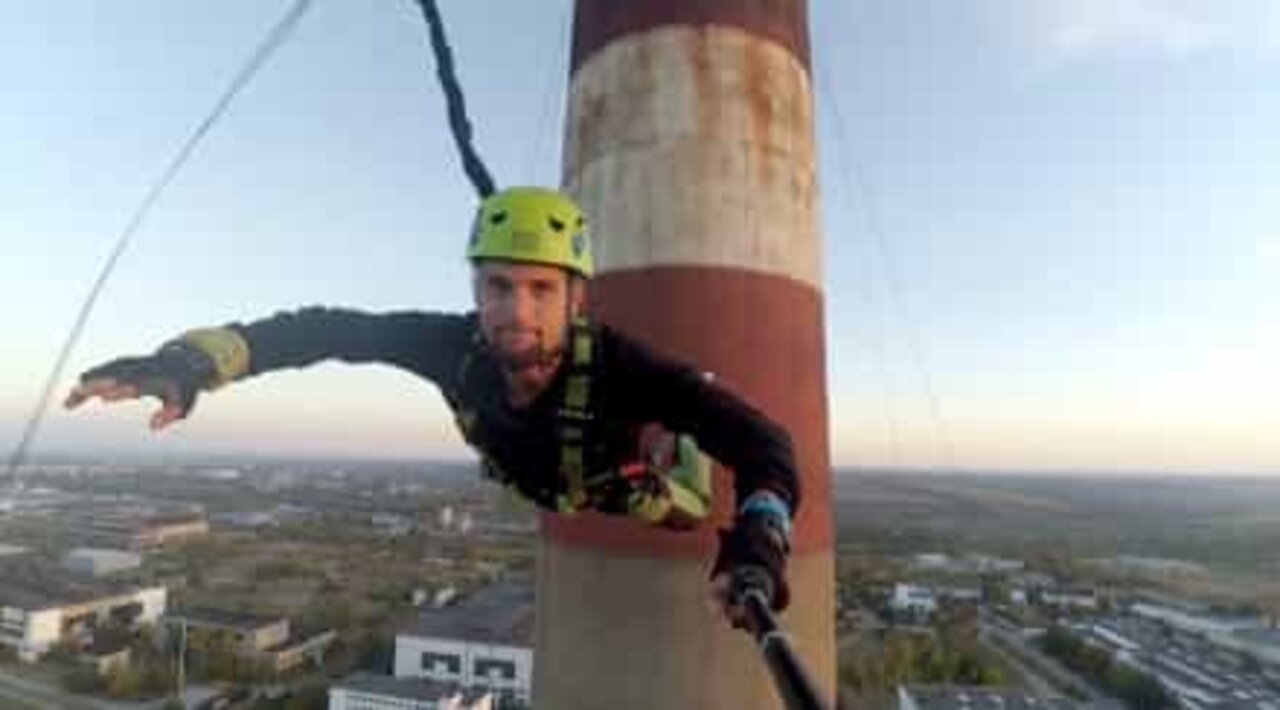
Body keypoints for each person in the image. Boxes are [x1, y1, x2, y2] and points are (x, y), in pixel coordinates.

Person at [64, 187, 799, 625]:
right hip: (537, 479)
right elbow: (325, 330)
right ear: (476, 293)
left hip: (620, 484)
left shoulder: (619, 365)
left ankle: (673, 447)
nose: (516, 310)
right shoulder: (453, 346)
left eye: (542, 290)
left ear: (577, 299)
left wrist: (762, 538)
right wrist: (192, 363)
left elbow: (765, 447)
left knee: (685, 506)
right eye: (498, 287)